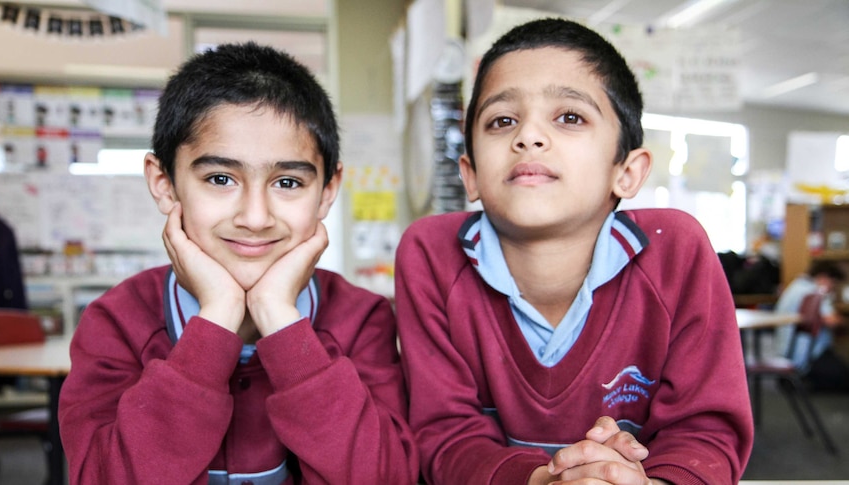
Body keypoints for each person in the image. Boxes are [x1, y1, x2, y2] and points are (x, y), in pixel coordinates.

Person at [394, 17, 753, 485]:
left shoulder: (676, 251)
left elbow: (705, 432)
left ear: (626, 171)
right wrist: (545, 479)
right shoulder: (429, 254)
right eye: (503, 121)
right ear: (471, 174)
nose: (529, 137)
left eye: (569, 117)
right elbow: (444, 434)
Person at [59, 42, 418, 485]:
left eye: (287, 182)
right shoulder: (116, 322)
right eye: (220, 178)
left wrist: (281, 320)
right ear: (165, 184)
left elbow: (382, 477)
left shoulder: (363, 319)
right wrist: (217, 321)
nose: (254, 218)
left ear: (327, 190)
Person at [775, 261, 846, 372]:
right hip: (807, 356)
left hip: (786, 351)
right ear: (824, 277)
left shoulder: (796, 286)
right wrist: (843, 321)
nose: (833, 288)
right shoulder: (814, 292)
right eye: (833, 283)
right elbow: (831, 321)